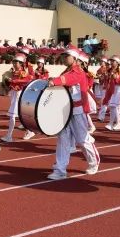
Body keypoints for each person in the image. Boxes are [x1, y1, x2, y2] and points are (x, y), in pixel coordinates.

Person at [46, 46, 100, 180]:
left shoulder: (78, 71)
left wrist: (54, 81)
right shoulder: (67, 71)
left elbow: (69, 79)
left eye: (67, 56)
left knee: (82, 140)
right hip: (65, 110)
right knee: (63, 139)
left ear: (74, 58)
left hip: (78, 110)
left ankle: (94, 162)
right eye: (63, 56)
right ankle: (60, 169)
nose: (64, 58)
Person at [1, 53, 32, 143]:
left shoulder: (23, 72)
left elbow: (27, 80)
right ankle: (29, 131)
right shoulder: (14, 72)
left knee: (12, 115)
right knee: (20, 115)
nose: (14, 64)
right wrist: (9, 83)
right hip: (14, 93)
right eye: (14, 62)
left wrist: (14, 81)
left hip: (19, 94)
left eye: (16, 62)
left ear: (21, 63)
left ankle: (9, 136)